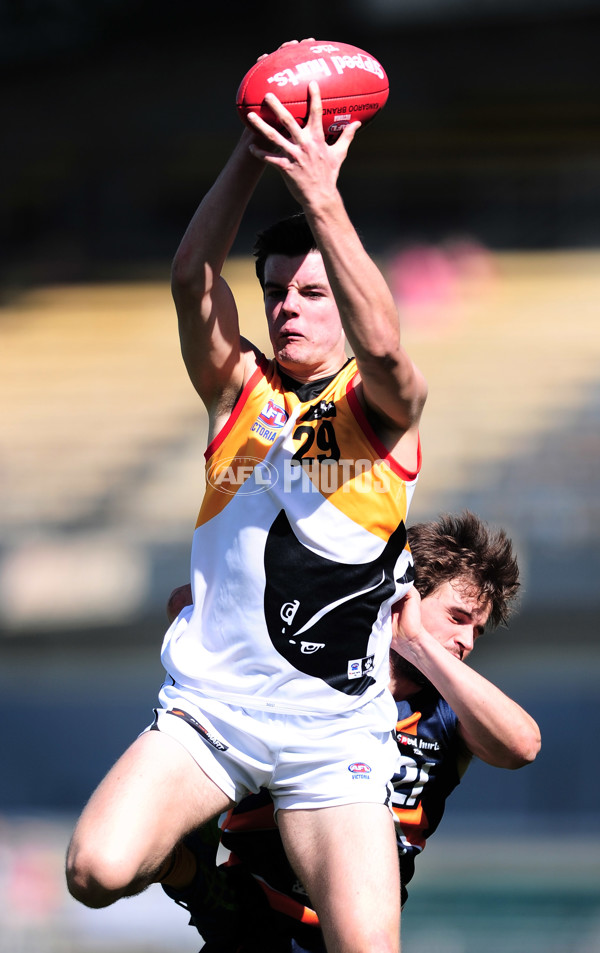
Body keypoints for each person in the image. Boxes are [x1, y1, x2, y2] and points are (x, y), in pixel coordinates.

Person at [65, 40, 428, 953]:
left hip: (327, 731)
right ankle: (211, 883)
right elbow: (192, 278)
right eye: (274, 292)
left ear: (344, 300)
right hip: (213, 712)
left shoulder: (379, 412)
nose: (288, 307)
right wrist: (253, 145)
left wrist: (321, 195)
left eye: (310, 292)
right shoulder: (241, 396)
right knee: (95, 870)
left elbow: (387, 355)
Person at [161, 511, 541, 953]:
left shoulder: (450, 711)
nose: (468, 641)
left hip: (354, 933)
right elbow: (184, 603)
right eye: (458, 617)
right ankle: (190, 873)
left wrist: (417, 643)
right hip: (252, 920)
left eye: (477, 629)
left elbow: (523, 745)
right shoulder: (315, 669)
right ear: (406, 597)